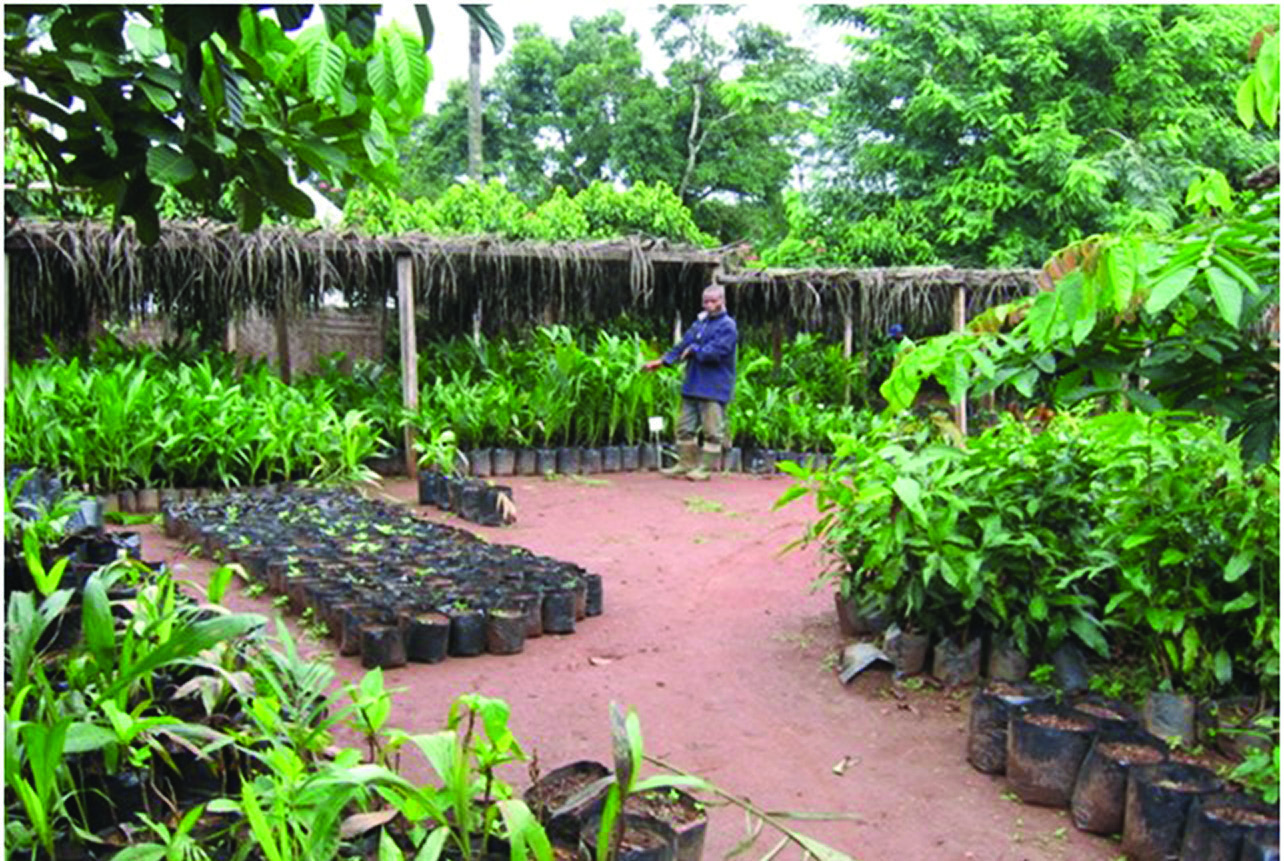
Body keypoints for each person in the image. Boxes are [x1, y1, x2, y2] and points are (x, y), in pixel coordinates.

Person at [642, 284, 738, 481]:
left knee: (712, 431)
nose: (709, 305)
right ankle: (685, 464)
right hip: (693, 383)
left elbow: (716, 352)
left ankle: (704, 469)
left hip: (714, 386)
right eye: (706, 301)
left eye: (713, 301)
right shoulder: (700, 323)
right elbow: (683, 346)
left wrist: (695, 350)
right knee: (684, 427)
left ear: (722, 301)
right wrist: (661, 362)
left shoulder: (727, 326)